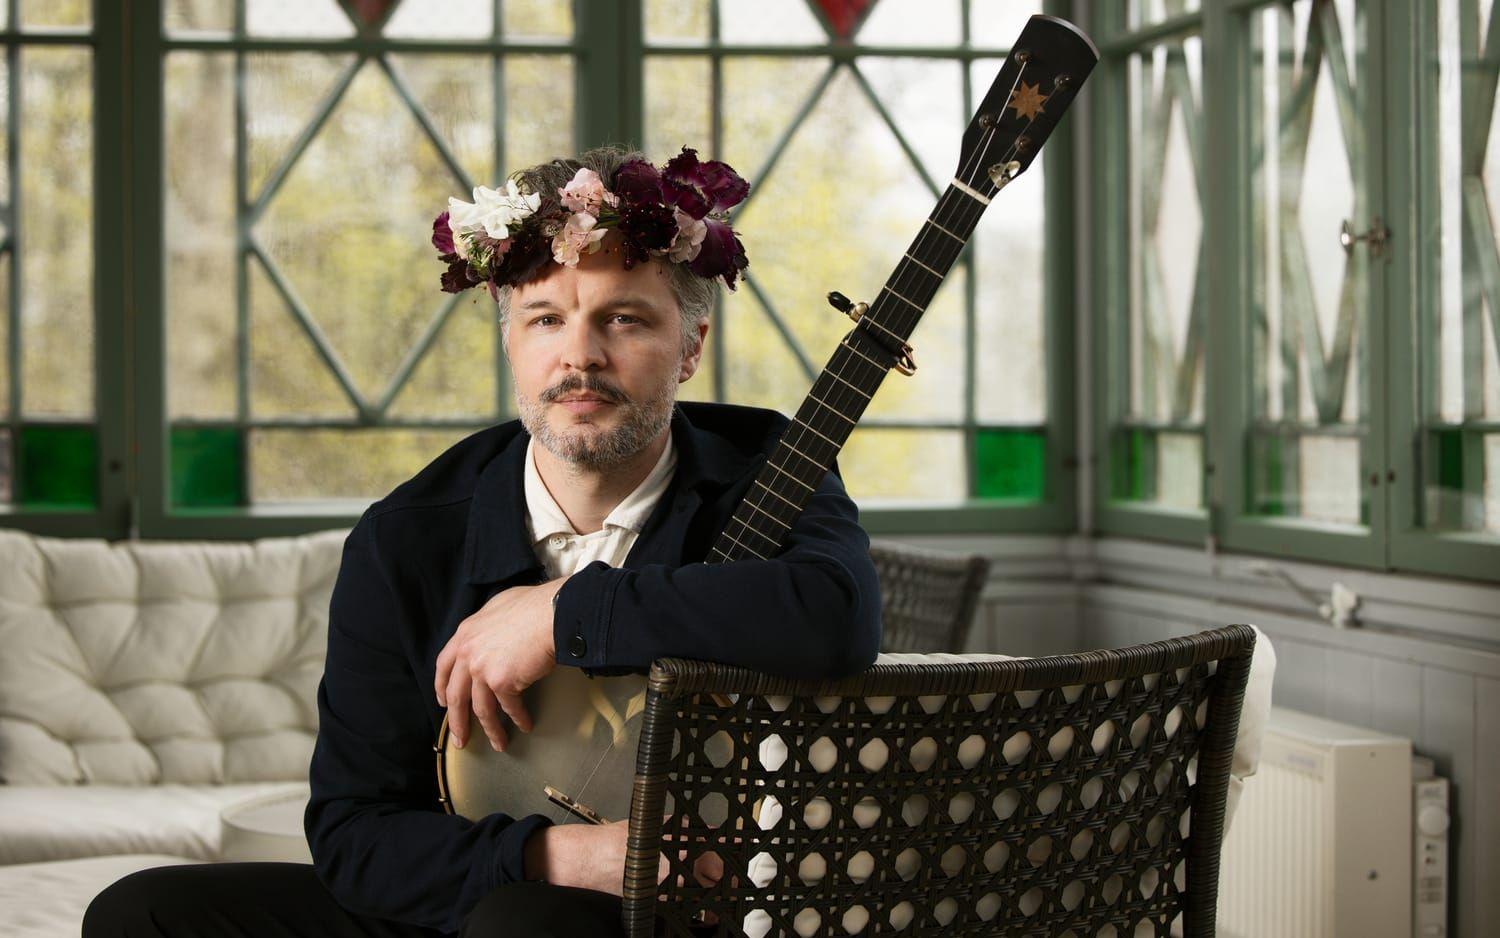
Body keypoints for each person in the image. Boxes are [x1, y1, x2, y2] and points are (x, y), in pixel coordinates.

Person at [83, 145, 881, 938]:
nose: (580, 355)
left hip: (679, 909)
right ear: (510, 344)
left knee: (523, 923)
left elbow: (836, 615)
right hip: (479, 886)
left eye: (624, 319)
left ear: (692, 347)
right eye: (546, 320)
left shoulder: (767, 468)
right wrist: (563, 856)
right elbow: (356, 835)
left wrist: (562, 613)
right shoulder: (404, 537)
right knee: (142, 914)